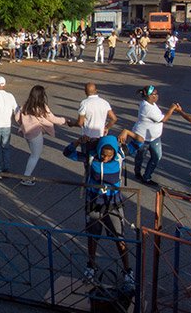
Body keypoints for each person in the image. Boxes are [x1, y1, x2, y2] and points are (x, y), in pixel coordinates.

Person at [63, 135, 133, 288]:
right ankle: (91, 266)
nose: (105, 158)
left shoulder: (120, 155)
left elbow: (139, 142)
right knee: (93, 237)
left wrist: (128, 132)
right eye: (103, 154)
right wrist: (77, 142)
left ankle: (127, 271)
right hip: (94, 204)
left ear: (115, 152)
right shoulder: (91, 157)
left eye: (109, 155)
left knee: (119, 238)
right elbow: (67, 153)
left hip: (113, 205)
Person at [14, 85, 68, 185]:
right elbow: (53, 119)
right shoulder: (42, 108)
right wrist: (65, 121)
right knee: (35, 156)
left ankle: (26, 176)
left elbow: (17, 118)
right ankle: (26, 177)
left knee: (33, 153)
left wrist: (23, 124)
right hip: (36, 134)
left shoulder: (25, 106)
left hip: (27, 132)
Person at [130, 85, 180, 188]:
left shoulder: (151, 104)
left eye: (157, 94)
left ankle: (146, 176)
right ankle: (138, 172)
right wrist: (172, 109)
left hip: (154, 137)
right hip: (143, 137)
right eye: (154, 94)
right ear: (148, 95)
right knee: (141, 156)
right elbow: (164, 119)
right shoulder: (147, 108)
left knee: (156, 156)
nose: (157, 96)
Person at [76, 82, 118, 160]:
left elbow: (80, 123)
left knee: (87, 160)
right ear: (96, 90)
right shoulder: (104, 102)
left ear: (85, 91)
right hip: (101, 137)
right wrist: (106, 127)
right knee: (99, 159)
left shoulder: (84, 103)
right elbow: (114, 118)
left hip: (87, 137)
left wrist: (71, 124)